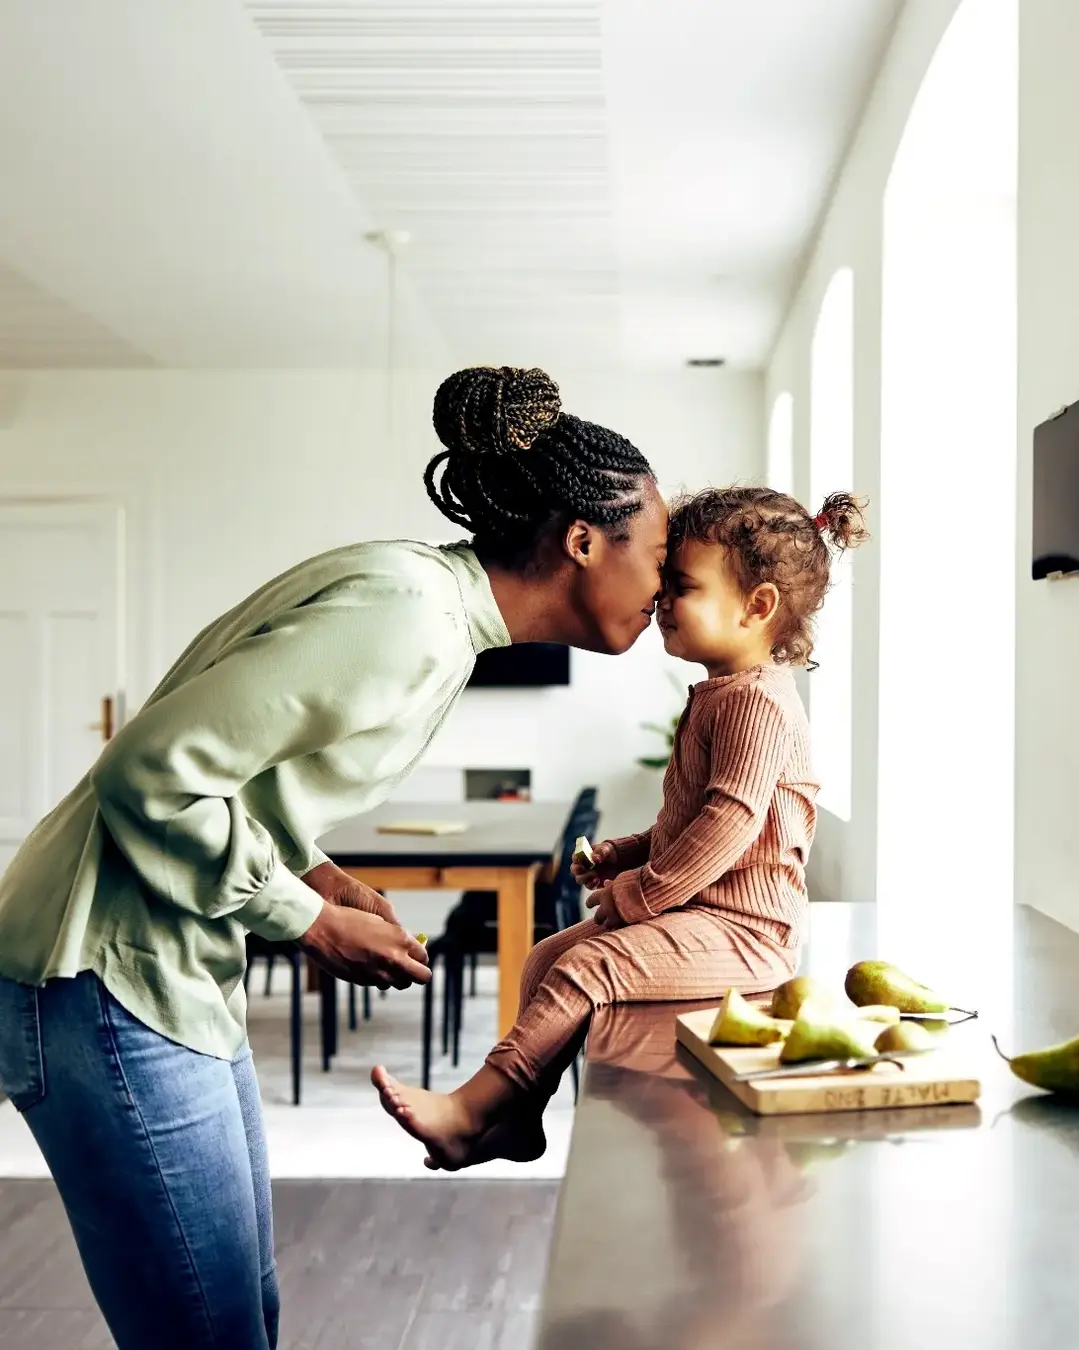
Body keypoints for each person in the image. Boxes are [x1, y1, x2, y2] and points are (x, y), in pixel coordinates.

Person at [0, 365, 667, 1350]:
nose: (664, 586)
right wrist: (305, 921)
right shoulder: (407, 617)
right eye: (656, 553)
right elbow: (148, 775)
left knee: (235, 1316)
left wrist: (322, 877)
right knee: (209, 1331)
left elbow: (239, 776)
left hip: (154, 972)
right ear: (581, 543)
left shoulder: (429, 604)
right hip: (99, 972)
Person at [373, 484, 870, 1170]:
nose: (661, 599)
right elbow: (695, 818)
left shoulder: (756, 704)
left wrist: (643, 891)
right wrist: (625, 852)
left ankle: (471, 1109)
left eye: (683, 587)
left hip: (748, 933)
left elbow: (729, 822)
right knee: (545, 957)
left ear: (757, 607)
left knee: (586, 967)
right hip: (703, 913)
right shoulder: (723, 695)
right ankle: (518, 1119)